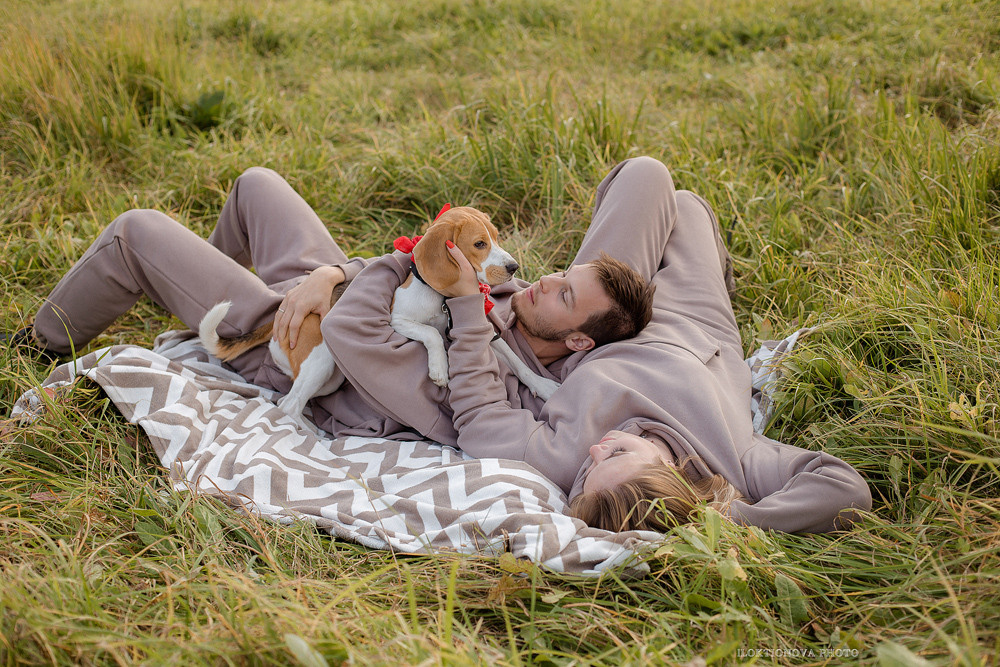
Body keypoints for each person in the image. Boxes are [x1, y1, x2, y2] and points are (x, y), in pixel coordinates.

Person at [6, 166, 652, 446]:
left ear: (577, 342)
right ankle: (188, 293)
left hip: (287, 342)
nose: (541, 280)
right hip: (338, 291)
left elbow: (351, 332)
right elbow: (409, 271)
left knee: (138, 229)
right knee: (258, 185)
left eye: (563, 293)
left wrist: (335, 283)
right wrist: (332, 269)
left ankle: (36, 346)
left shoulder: (482, 376)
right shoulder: (518, 303)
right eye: (560, 273)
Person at [422, 156, 872, 534]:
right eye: (616, 453)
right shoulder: (737, 461)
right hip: (695, 324)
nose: (599, 448)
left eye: (590, 470)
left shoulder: (563, 457)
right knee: (687, 208)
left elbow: (480, 419)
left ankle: (645, 261)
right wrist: (724, 519)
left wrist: (465, 308)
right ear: (670, 474)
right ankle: (705, 266)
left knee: (645, 177)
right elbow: (845, 490)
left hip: (599, 330)